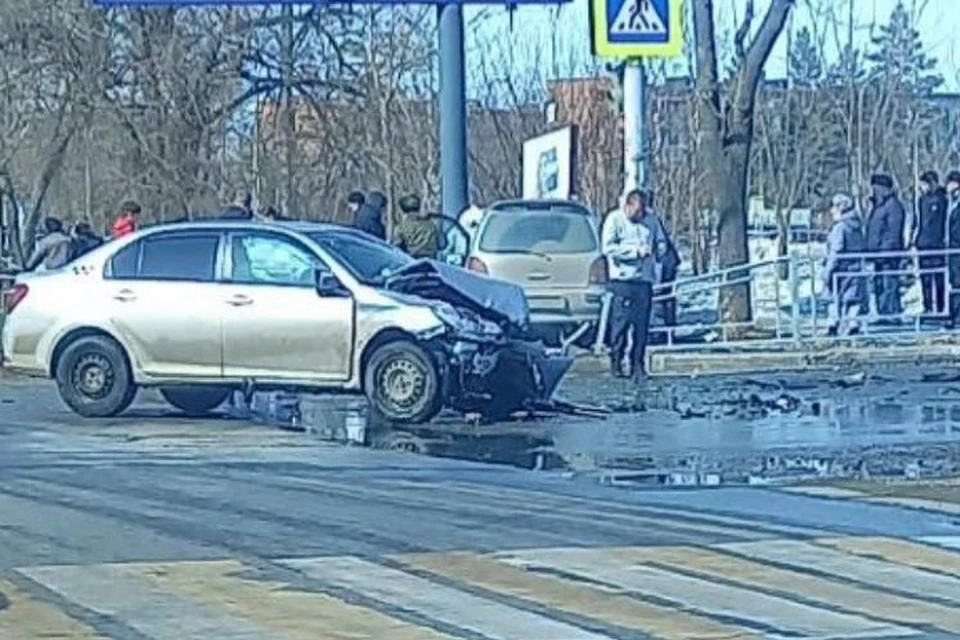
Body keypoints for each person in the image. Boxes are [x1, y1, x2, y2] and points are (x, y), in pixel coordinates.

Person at [601, 189, 666, 379]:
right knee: (621, 324)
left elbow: (661, 240)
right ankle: (616, 361)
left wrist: (658, 250)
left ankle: (638, 363)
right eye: (636, 211)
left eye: (642, 212)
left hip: (644, 281)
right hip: (622, 280)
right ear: (627, 206)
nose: (639, 215)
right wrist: (634, 252)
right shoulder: (614, 219)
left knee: (641, 325)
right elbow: (608, 248)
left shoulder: (651, 221)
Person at [822, 194, 867, 336]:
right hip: (856, 268)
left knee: (834, 297)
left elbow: (836, 250)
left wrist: (827, 271)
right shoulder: (857, 226)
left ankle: (832, 325)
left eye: (834, 207)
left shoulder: (840, 228)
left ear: (841, 208)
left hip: (841, 269)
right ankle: (853, 324)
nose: (831, 211)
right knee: (854, 298)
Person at [865, 173, 906, 319]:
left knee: (889, 285)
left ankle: (891, 314)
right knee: (880, 285)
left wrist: (885, 251)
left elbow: (893, 232)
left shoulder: (893, 206)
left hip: (888, 255)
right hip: (877, 254)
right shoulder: (878, 206)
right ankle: (883, 313)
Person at [914, 170, 948, 315]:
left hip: (936, 244)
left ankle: (940, 307)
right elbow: (919, 221)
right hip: (923, 244)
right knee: (925, 278)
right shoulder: (921, 200)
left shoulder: (942, 199)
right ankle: (927, 306)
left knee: (938, 277)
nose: (922, 187)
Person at [392, 194, 438, 259]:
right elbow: (441, 243)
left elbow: (396, 247)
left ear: (403, 210)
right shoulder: (431, 224)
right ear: (418, 207)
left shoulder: (401, 227)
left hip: (411, 260)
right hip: (432, 261)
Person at [946, 172, 960, 328]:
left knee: (958, 284)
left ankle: (957, 317)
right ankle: (954, 315)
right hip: (953, 251)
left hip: (957, 250)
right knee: (955, 283)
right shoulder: (952, 204)